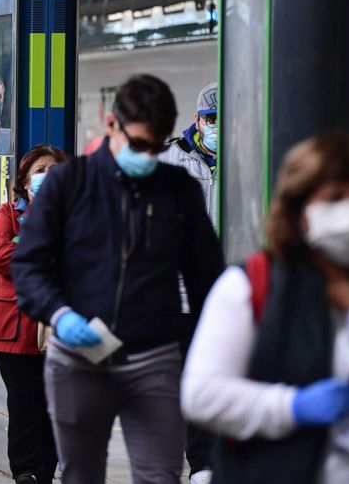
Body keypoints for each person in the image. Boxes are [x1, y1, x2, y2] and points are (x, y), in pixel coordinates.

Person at [11, 74, 225, 483]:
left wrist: (205, 342)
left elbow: (205, 276)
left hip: (155, 357)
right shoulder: (67, 185)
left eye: (156, 144)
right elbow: (29, 266)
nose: (147, 156)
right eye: (138, 144)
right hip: (80, 357)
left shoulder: (177, 189)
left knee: (160, 473)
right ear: (112, 126)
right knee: (82, 472)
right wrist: (59, 314)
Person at [182, 133, 349, 484]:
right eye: (335, 199)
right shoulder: (251, 286)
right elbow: (201, 395)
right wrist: (290, 406)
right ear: (299, 209)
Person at [0, 144, 66, 484]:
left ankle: (45, 472)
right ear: (25, 179)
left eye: (54, 170)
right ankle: (25, 471)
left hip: (60, 328)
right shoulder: (8, 213)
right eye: (39, 171)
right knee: (24, 402)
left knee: (53, 406)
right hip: (13, 330)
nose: (46, 177)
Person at [158, 81, 219, 484]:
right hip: (181, 293)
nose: (215, 126)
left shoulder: (251, 153)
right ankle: (197, 462)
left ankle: (212, 462)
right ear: (196, 120)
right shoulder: (172, 161)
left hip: (231, 289)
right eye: (209, 119)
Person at [160, 82, 218, 222]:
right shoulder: (169, 156)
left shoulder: (246, 159)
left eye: (225, 118)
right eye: (211, 119)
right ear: (197, 120)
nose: (218, 126)